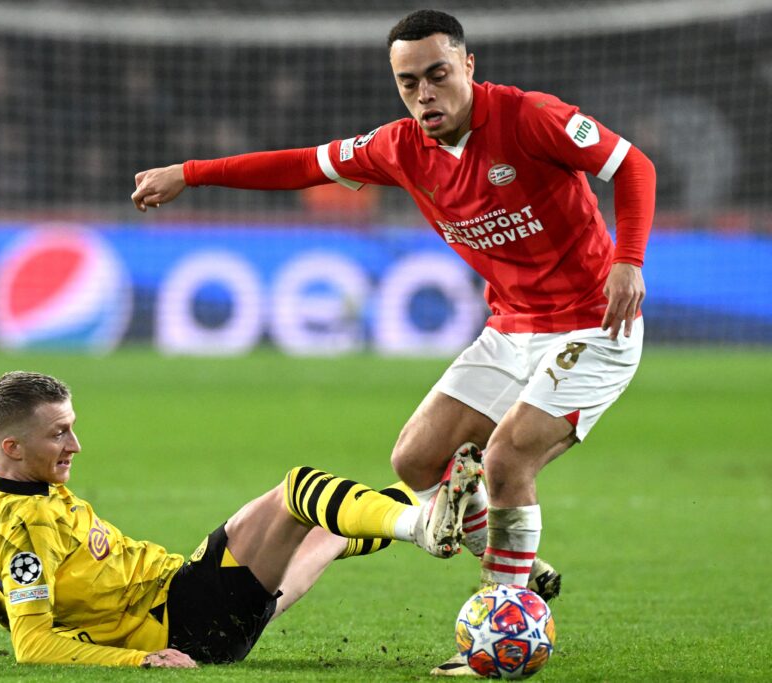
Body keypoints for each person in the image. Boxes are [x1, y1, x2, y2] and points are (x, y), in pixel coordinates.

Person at [131, 9, 655, 676]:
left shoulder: (531, 118)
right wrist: (192, 172)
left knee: (505, 462)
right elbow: (301, 164)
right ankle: (511, 555)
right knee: (415, 460)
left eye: (438, 75)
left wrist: (629, 260)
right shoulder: (399, 147)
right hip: (513, 326)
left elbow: (632, 165)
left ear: (468, 66)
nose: (424, 94)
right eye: (409, 83)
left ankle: (505, 628)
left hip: (594, 324)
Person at [0, 370, 460, 668]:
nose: (75, 445)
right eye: (59, 434)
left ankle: (451, 512)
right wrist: (139, 658)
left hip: (199, 622)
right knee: (296, 491)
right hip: (185, 616)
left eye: (72, 428)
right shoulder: (26, 527)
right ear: (13, 447)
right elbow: (31, 646)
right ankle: (421, 526)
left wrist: (29, 611)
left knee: (327, 530)